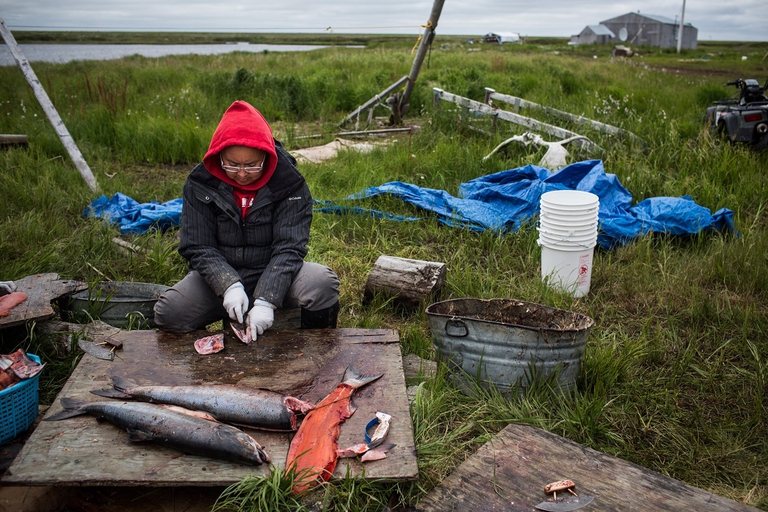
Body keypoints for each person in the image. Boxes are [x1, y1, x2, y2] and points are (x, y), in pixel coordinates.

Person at [154, 100, 340, 336]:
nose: (242, 174)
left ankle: (315, 350)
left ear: (266, 157)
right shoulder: (200, 183)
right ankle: (218, 342)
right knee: (171, 312)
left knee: (321, 284)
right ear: (219, 155)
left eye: (252, 166)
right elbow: (197, 246)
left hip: (273, 270)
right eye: (232, 165)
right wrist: (228, 285)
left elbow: (289, 248)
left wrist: (266, 300)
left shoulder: (289, 184)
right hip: (220, 275)